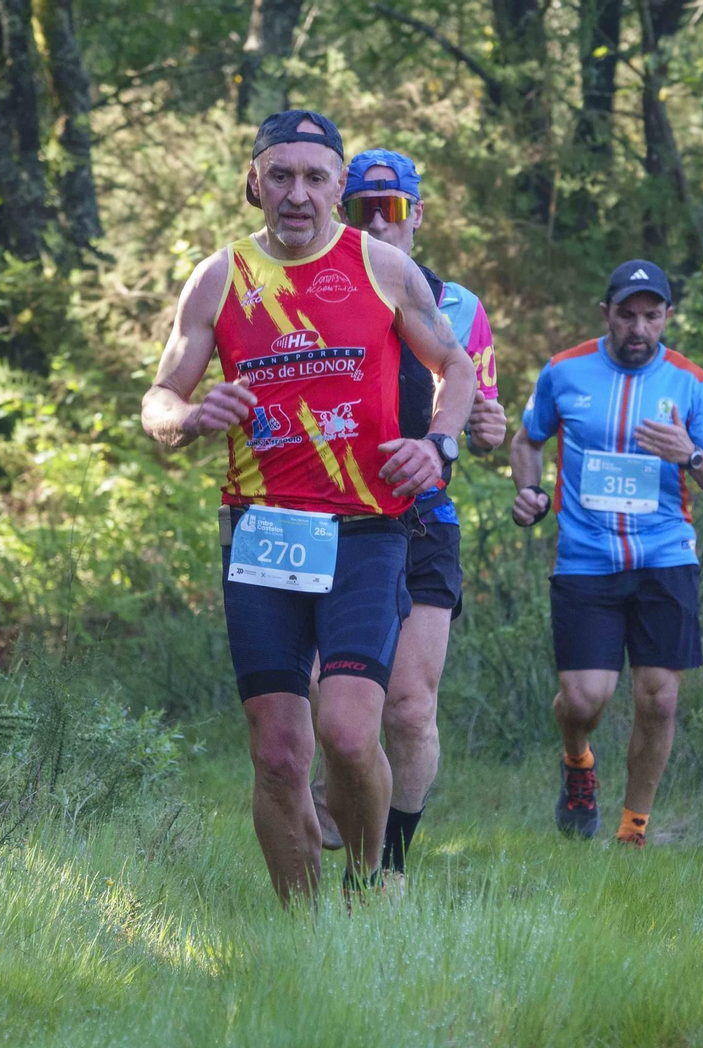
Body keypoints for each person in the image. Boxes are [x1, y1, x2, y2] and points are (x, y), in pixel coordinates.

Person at [140, 111, 475, 904]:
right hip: (262, 536)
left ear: (338, 187)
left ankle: (369, 884)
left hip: (365, 532)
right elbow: (159, 397)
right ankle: (302, 930)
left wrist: (438, 446)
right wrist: (187, 419)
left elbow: (454, 369)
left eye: (315, 177)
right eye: (280, 176)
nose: (298, 194)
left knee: (352, 734)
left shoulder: (382, 270)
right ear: (255, 182)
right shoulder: (220, 277)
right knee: (279, 754)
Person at [308, 149, 508, 890]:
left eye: (393, 208)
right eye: (363, 208)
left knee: (412, 709)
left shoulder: (461, 308)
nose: (379, 223)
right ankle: (332, 802)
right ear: (342, 212)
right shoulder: (318, 290)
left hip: (423, 518)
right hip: (334, 514)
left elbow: (479, 410)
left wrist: (481, 432)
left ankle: (389, 865)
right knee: (328, 699)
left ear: (419, 214)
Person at [508, 260, 703, 847]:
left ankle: (632, 831)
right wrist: (529, 491)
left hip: (664, 555)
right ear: (606, 313)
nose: (639, 328)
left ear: (666, 318)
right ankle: (578, 762)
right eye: (628, 315)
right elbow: (526, 439)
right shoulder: (564, 371)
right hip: (586, 557)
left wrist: (688, 453)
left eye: (652, 316)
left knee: (659, 698)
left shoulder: (690, 382)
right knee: (585, 700)